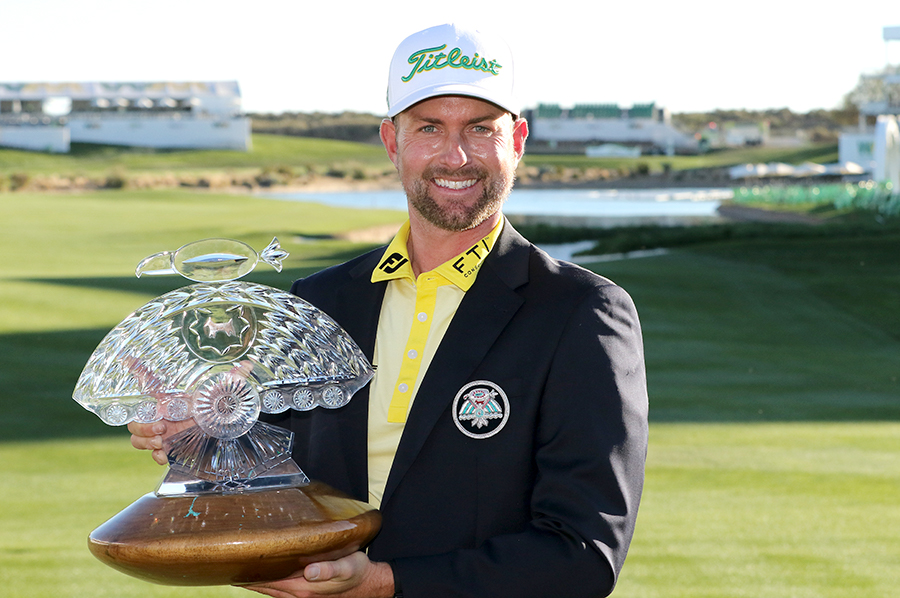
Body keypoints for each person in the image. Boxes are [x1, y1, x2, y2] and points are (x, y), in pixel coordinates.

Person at [129, 23, 648, 598]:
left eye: (480, 128)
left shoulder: (581, 312)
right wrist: (201, 434)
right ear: (392, 141)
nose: (456, 155)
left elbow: (583, 556)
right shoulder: (317, 305)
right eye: (429, 127)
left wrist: (382, 584)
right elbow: (264, 480)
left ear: (518, 140)